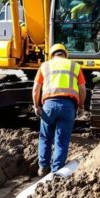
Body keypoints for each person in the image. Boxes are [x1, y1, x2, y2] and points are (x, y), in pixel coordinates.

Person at [33, 43, 86, 177]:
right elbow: (82, 89)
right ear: (65, 54)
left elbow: (36, 89)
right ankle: (56, 171)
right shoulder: (74, 66)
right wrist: (81, 106)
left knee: (45, 137)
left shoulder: (45, 66)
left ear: (51, 55)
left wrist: (36, 106)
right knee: (61, 140)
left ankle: (43, 167)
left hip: (49, 106)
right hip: (68, 106)